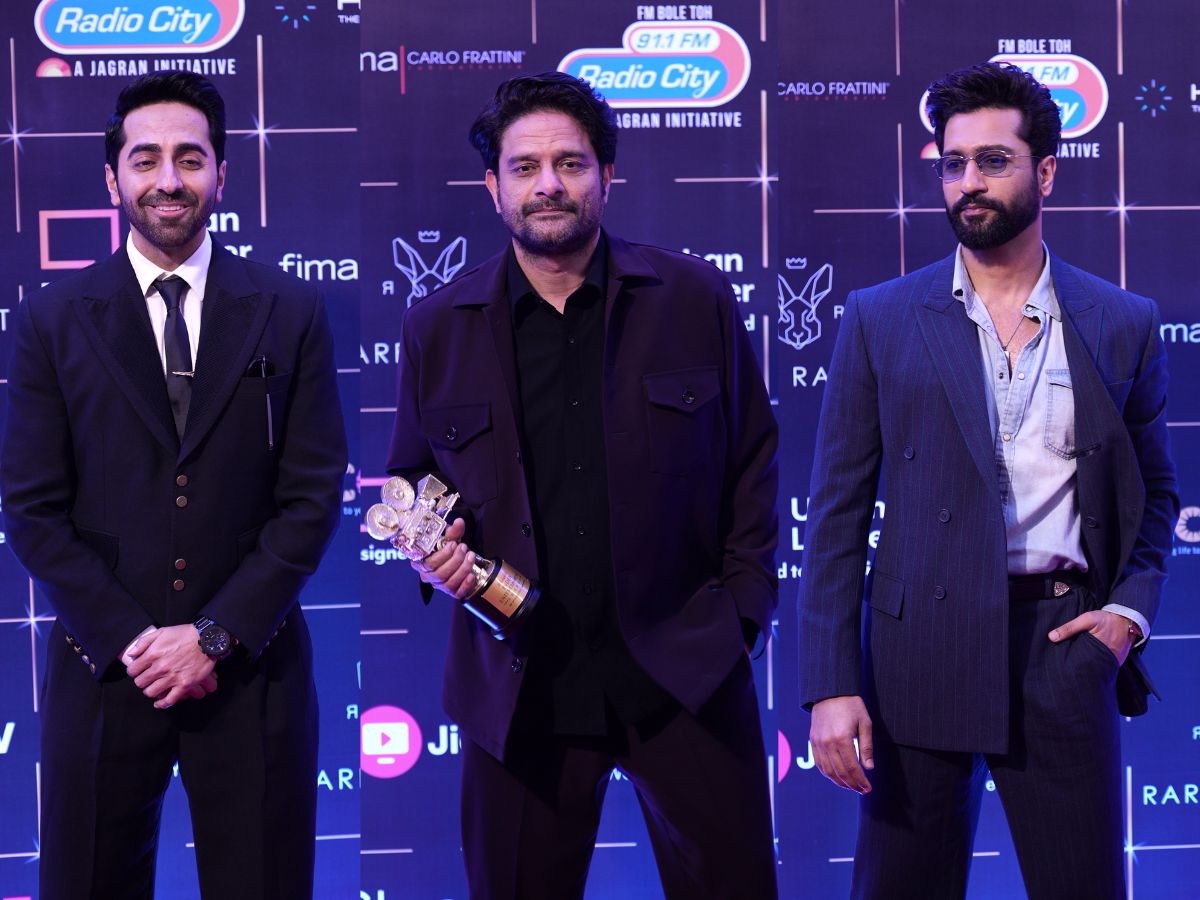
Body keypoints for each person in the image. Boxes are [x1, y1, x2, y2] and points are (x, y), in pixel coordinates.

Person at [385, 72, 779, 899]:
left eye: (570, 163)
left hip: (685, 673)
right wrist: (434, 553)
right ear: (493, 187)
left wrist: (740, 614)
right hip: (519, 687)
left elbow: (752, 459)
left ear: (607, 175)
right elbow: (414, 476)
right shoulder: (436, 327)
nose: (549, 185)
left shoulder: (693, 298)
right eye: (525, 167)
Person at [798, 61, 1178, 899]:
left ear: (1046, 171)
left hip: (1063, 649)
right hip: (916, 657)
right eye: (953, 163)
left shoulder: (1123, 322)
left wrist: (1125, 616)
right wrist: (830, 684)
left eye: (993, 160)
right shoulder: (879, 317)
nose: (968, 181)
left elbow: (1156, 499)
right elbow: (835, 517)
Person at [1, 72, 347, 900]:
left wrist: (215, 635)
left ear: (222, 174)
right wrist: (135, 639)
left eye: (190, 159)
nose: (168, 179)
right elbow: (33, 509)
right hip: (104, 669)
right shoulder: (51, 319)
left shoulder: (291, 308)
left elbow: (312, 496)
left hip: (252, 670)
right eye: (146, 159)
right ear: (112, 179)